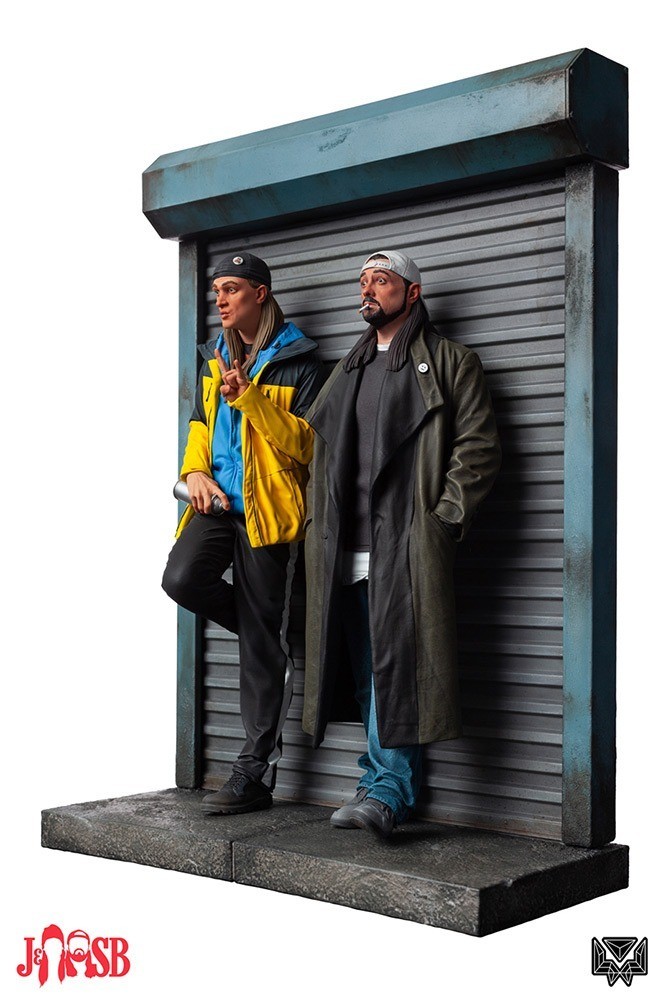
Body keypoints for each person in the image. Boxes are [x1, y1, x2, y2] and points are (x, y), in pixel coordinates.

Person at [302, 249, 501, 837]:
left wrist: (440, 521)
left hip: (406, 548)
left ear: (412, 293)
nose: (368, 289)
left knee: (398, 671)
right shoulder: (348, 369)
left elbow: (478, 448)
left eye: (381, 280)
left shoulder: (451, 362)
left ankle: (389, 792)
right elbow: (318, 454)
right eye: (363, 281)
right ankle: (378, 782)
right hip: (344, 550)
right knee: (372, 673)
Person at [162, 251, 324, 815]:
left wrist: (250, 397)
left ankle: (253, 775)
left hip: (267, 512)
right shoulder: (214, 357)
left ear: (260, 293)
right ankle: (267, 635)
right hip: (217, 505)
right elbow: (199, 426)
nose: (221, 300)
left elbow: (307, 445)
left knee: (259, 646)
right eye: (217, 292)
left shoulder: (301, 362)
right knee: (181, 578)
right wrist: (193, 472)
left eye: (231, 289)